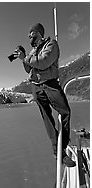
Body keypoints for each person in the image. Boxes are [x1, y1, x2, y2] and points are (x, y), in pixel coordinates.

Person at [17, 23, 76, 167]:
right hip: (36, 87)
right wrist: (23, 57)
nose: (29, 36)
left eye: (31, 33)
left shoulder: (51, 44)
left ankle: (63, 144)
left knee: (65, 112)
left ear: (38, 32)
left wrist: (26, 58)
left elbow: (43, 62)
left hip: (50, 84)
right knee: (47, 119)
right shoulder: (32, 51)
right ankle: (59, 152)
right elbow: (28, 69)